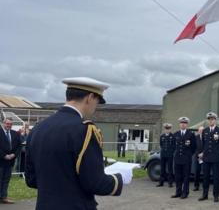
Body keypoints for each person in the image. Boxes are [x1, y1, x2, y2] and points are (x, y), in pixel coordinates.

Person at [25, 77, 131, 210]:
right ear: (90, 98)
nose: (95, 107)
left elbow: (31, 180)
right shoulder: (84, 130)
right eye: (97, 101)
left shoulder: (39, 128)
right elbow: (96, 183)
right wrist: (120, 177)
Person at [199, 111, 219, 203]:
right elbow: (204, 144)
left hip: (215, 158)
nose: (211, 121)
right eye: (209, 119)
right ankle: (204, 195)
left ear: (215, 120)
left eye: (212, 119)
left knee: (215, 178)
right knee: (205, 177)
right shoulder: (205, 131)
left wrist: (216, 153)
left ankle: (216, 196)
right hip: (206, 158)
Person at [171, 117, 196, 199]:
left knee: (186, 176)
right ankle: (178, 192)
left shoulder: (191, 134)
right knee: (177, 176)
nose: (183, 124)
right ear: (179, 124)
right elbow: (173, 146)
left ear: (187, 124)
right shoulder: (176, 134)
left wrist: (188, 155)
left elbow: (193, 147)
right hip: (177, 158)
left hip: (186, 159)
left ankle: (185, 192)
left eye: (184, 123)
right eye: (181, 123)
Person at [0, 117, 21, 204]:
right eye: (7, 123)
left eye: (11, 124)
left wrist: (13, 155)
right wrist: (4, 155)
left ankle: (3, 197)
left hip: (10, 161)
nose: (9, 125)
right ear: (3, 123)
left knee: (6, 180)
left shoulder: (15, 134)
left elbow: (19, 146)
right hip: (1, 160)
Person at [158, 123, 175, 187]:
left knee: (170, 169)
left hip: (170, 155)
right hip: (163, 154)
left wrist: (171, 152)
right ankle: (161, 182)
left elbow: (174, 146)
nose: (167, 130)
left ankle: (170, 183)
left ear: (170, 129)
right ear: (164, 129)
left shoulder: (172, 136)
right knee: (162, 168)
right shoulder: (162, 136)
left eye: (168, 129)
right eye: (166, 129)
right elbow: (161, 144)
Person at [193, 126, 204, 191]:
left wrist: (203, 153)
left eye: (202, 130)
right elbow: (194, 147)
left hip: (205, 156)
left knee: (205, 171)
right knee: (197, 171)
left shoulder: (206, 137)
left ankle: (205, 185)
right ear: (198, 131)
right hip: (198, 157)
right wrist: (197, 154)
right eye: (200, 130)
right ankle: (196, 186)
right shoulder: (196, 137)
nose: (201, 131)